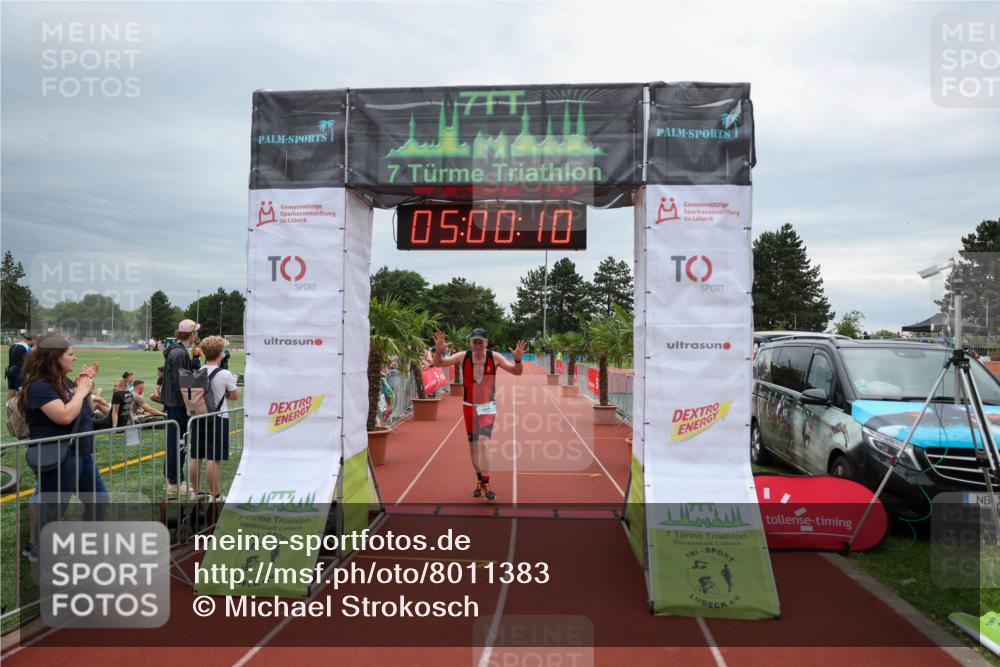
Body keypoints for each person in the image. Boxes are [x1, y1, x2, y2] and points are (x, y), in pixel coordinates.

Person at [20, 334, 106, 558]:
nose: (75, 358)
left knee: (99, 500)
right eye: (70, 354)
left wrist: (84, 387)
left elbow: (85, 410)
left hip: (81, 452)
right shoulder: (40, 386)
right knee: (53, 510)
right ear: (55, 357)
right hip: (60, 456)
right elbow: (65, 416)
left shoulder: (64, 381)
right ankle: (39, 550)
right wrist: (80, 392)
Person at [433, 328, 526, 501]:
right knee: (473, 446)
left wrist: (518, 359)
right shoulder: (463, 356)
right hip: (469, 406)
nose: (477, 345)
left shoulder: (495, 357)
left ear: (486, 343)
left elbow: (517, 371)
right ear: (471, 343)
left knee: (484, 444)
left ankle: (486, 483)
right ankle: (479, 479)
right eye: (474, 342)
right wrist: (438, 351)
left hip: (487, 407)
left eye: (480, 342)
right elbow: (438, 363)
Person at [188, 336, 238, 500]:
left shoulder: (198, 371)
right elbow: (234, 396)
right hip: (218, 417)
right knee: (213, 459)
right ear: (220, 354)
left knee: (196, 456)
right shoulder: (225, 373)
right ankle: (215, 494)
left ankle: (196, 492)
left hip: (199, 416)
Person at [162, 319, 200, 495]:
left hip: (176, 403)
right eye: (195, 332)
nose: (196, 335)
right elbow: (182, 382)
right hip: (178, 404)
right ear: (191, 333)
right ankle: (174, 481)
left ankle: (173, 478)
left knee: (178, 441)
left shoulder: (179, 351)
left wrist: (195, 361)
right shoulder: (178, 353)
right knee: (178, 442)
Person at [6, 332, 33, 400]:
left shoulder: (13, 346)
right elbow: (30, 361)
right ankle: (17, 406)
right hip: (19, 371)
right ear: (30, 340)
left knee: (11, 393)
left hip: (10, 370)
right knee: (19, 393)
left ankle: (9, 406)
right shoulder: (27, 348)